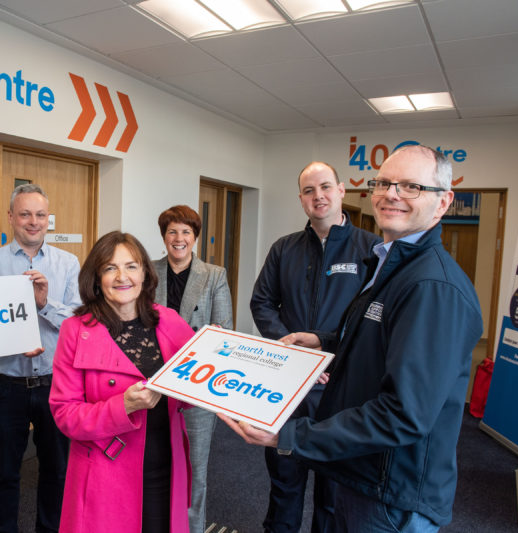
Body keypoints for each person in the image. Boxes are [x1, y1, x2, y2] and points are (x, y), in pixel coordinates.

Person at [222, 145, 483, 532]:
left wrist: (288, 434)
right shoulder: (388, 262)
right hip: (359, 465)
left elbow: (403, 414)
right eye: (384, 183)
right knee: (288, 492)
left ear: (443, 201)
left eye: (411, 186)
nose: (392, 194)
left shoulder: (432, 287)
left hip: (388, 492)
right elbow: (380, 341)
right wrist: (325, 342)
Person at [250, 162, 380, 533]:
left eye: (325, 187)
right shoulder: (284, 248)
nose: (318, 196)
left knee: (333, 493)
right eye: (309, 190)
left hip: (343, 389)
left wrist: (330, 354)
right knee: (284, 482)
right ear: (301, 199)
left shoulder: (371, 250)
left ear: (341, 191)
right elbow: (262, 303)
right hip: (289, 387)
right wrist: (293, 352)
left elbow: (374, 318)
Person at [50, 231, 195, 533]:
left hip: (164, 468)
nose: (122, 277)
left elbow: (192, 390)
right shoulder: (74, 331)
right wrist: (123, 406)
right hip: (106, 476)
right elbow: (65, 414)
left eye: (131, 266)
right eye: (110, 268)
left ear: (144, 273)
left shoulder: (170, 321)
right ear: (96, 278)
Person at [0, 183, 81, 533]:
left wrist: (44, 303)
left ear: (48, 219)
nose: (33, 222)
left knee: (56, 470)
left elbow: (80, 322)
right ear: (10, 217)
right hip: (6, 385)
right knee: (4, 473)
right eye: (25, 214)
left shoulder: (68, 264)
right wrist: (10, 340)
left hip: (56, 384)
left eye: (40, 215)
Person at [153, 205, 232, 533]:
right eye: (172, 231)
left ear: (195, 237)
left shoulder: (214, 275)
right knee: (155, 466)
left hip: (197, 386)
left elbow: (223, 334)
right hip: (154, 386)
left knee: (194, 471)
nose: (179, 238)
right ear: (164, 236)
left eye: (186, 231)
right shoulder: (148, 271)